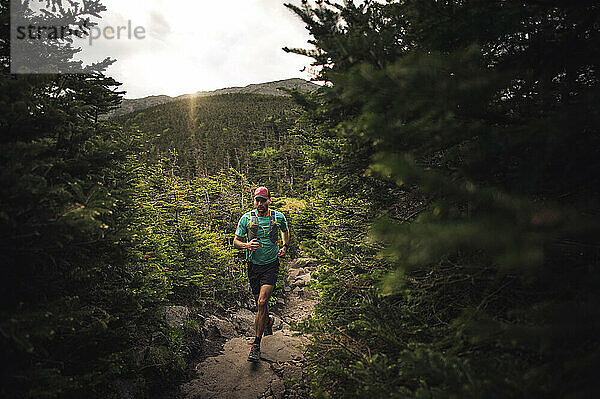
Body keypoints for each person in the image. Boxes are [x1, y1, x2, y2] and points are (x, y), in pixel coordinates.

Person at [233, 186, 290, 362]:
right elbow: (236, 242)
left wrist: (285, 246)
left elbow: (285, 231)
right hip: (253, 265)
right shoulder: (246, 219)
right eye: (257, 200)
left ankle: (256, 345)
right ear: (254, 201)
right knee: (261, 305)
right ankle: (268, 321)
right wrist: (246, 246)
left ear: (269, 201)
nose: (259, 204)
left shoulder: (278, 217)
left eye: (263, 200)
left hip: (271, 264)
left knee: (262, 302)